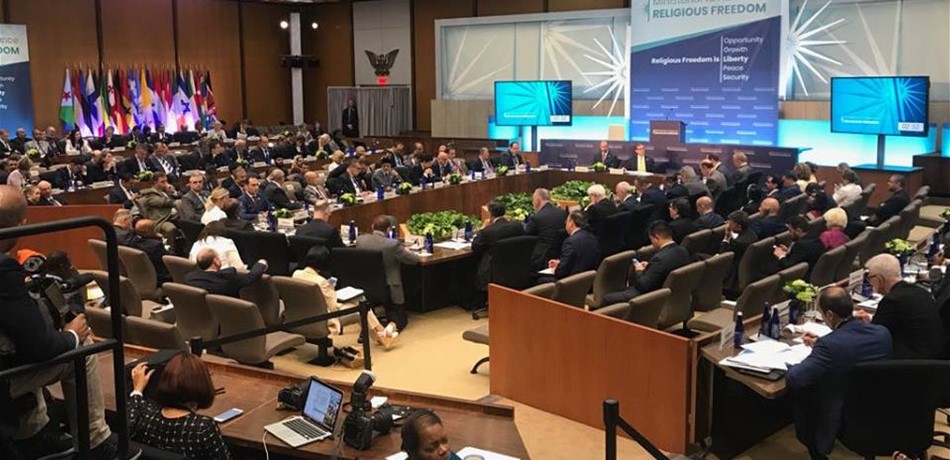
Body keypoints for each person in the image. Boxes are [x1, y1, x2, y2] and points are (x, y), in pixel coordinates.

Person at [0, 185, 139, 459]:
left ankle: (33, 435)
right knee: (81, 351)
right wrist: (72, 334)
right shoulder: (3, 269)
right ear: (21, 224)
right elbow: (42, 347)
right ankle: (96, 441)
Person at [786, 287, 892, 460]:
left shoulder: (830, 346)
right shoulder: (882, 333)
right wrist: (820, 344)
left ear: (829, 315)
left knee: (803, 396)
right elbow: (852, 350)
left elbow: (796, 379)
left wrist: (793, 365)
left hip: (843, 416)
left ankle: (817, 453)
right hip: (880, 409)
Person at [128, 353, 231, 459]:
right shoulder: (202, 427)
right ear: (203, 384)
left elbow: (132, 416)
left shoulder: (147, 417)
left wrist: (138, 389)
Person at [292, 246, 397, 347]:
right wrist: (332, 291)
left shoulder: (296, 274)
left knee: (359, 300)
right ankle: (382, 335)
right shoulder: (321, 282)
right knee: (361, 307)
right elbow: (333, 306)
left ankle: (381, 335)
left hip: (302, 314)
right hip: (325, 318)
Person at [860, 254, 945, 359]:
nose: (870, 283)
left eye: (870, 278)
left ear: (879, 279)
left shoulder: (892, 300)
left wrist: (862, 325)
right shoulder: (920, 291)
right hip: (933, 355)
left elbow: (874, 335)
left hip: (911, 361)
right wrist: (869, 320)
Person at [600, 221, 690, 306]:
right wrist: (650, 266)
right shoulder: (683, 251)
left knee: (607, 298)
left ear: (656, 237)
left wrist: (639, 270)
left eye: (651, 239)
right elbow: (663, 269)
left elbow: (644, 286)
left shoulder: (659, 258)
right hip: (675, 296)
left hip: (652, 296)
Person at [355, 215, 421, 330]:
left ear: (372, 227)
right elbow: (414, 260)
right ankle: (393, 324)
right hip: (389, 287)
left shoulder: (360, 240)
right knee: (402, 321)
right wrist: (407, 250)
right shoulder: (392, 244)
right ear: (388, 230)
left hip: (366, 285)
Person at [473, 200, 527, 289]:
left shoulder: (488, 231)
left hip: (493, 273)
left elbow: (475, 247)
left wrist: (482, 228)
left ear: (490, 214)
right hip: (516, 270)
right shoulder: (517, 226)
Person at [186, 247, 267, 297]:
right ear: (216, 261)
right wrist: (261, 263)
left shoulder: (190, 278)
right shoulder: (228, 277)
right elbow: (251, 277)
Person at [546, 211, 601, 281]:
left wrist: (557, 268)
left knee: (541, 279)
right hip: (590, 279)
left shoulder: (570, 242)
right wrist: (560, 263)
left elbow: (561, 272)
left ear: (571, 222)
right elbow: (580, 259)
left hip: (573, 281)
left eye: (566, 221)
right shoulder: (592, 237)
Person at [522, 188, 568, 269]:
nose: (533, 203)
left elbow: (526, 232)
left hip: (542, 258)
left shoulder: (537, 217)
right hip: (561, 253)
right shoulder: (563, 213)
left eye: (533, 200)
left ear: (538, 200)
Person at [125, 219, 173, 285]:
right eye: (153, 228)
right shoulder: (156, 246)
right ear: (147, 231)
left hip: (138, 276)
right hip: (159, 278)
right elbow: (168, 259)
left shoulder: (130, 242)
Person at [136, 172, 178, 237]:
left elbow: (178, 196)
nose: (166, 184)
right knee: (171, 228)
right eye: (162, 182)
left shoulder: (164, 191)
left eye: (166, 181)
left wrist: (173, 192)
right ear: (155, 182)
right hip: (161, 220)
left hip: (172, 216)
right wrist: (175, 199)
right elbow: (163, 202)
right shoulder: (150, 194)